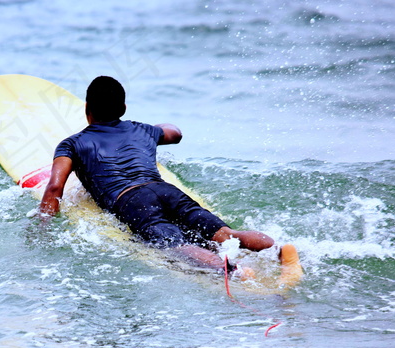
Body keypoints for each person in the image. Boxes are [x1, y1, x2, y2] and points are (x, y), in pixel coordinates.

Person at [38, 76, 275, 272]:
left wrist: (43, 227)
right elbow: (175, 133)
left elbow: (55, 188)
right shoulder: (142, 129)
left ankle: (235, 272)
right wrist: (150, 131)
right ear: (123, 109)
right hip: (165, 189)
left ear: (87, 109)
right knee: (224, 233)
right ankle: (279, 249)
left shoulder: (73, 143)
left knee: (174, 245)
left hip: (131, 200)